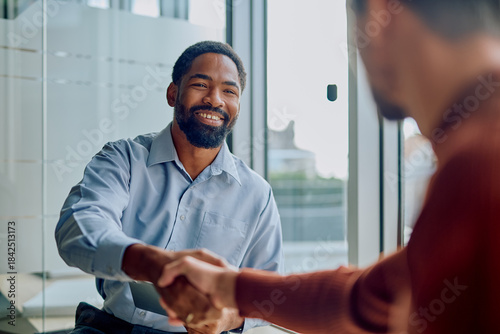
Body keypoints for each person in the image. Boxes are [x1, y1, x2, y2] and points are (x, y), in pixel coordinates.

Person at [155, 0, 500, 333]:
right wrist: (228, 286)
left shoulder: (477, 164)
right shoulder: (475, 147)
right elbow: (369, 298)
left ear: (380, 17)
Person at [55, 41, 283, 334]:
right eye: (201, 84)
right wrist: (156, 265)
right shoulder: (123, 158)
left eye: (229, 91)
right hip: (112, 328)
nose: (215, 100)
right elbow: (77, 228)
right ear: (173, 93)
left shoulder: (257, 193)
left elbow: (270, 293)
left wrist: (228, 320)